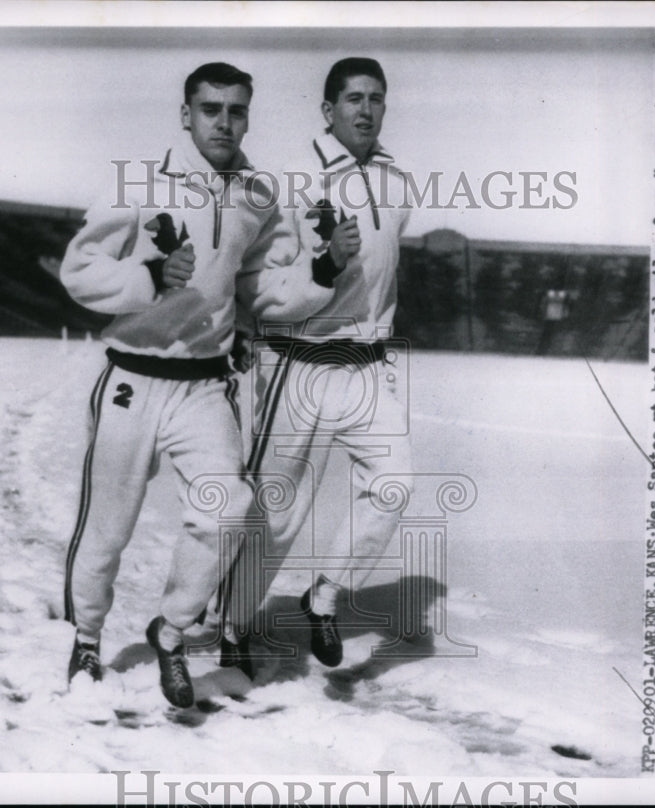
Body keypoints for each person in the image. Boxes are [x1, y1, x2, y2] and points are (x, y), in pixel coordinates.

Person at [60, 62, 276, 708]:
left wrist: (247, 326)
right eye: (211, 109)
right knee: (108, 528)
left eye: (237, 111)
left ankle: (172, 630)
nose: (225, 122)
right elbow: (79, 270)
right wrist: (148, 280)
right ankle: (87, 639)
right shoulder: (140, 182)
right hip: (133, 378)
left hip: (205, 387)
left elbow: (249, 277)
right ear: (186, 115)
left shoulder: (257, 195)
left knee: (226, 508)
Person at [222, 57, 414, 672]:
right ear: (328, 110)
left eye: (376, 98)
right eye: (353, 98)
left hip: (365, 365)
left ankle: (322, 597)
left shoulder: (397, 182)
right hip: (295, 363)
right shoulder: (291, 180)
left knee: (391, 487)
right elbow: (258, 281)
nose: (366, 109)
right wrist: (321, 269)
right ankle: (232, 628)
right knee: (277, 512)